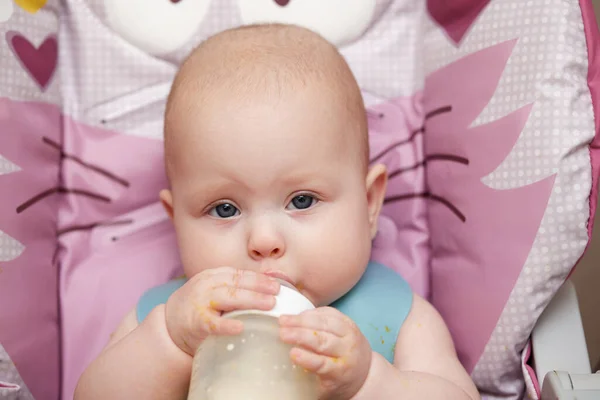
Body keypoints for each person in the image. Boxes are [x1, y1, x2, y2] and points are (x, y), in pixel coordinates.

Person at [75, 23, 480, 400]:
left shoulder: (400, 313)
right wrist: (171, 342)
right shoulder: (169, 317)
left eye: (302, 200)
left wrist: (371, 381)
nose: (264, 241)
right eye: (224, 208)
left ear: (370, 204)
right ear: (176, 219)